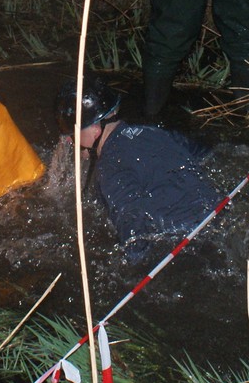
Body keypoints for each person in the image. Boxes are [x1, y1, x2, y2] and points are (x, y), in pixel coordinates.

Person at [56, 73, 221, 250]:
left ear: (95, 129)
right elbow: (206, 154)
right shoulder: (153, 131)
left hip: (189, 241)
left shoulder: (110, 167)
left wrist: (134, 258)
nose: (69, 141)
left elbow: (132, 224)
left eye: (72, 134)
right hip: (217, 213)